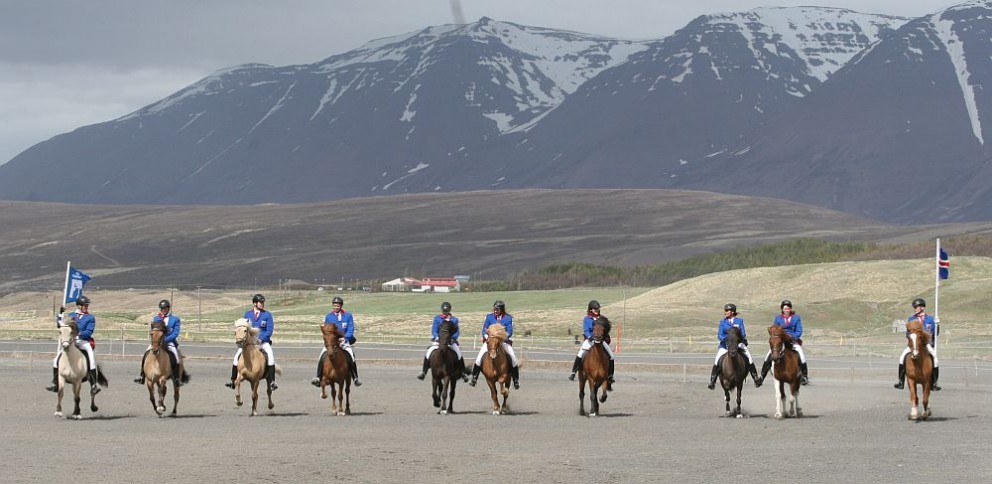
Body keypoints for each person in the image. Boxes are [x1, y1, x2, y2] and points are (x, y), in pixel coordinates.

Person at [46, 295, 101, 395]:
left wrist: (77, 335)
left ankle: (93, 385)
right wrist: (61, 313)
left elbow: (88, 332)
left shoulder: (90, 318)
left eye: (87, 305)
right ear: (79, 306)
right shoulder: (71, 315)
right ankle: (56, 383)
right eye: (85, 305)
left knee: (91, 359)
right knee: (56, 360)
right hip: (70, 342)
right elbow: (60, 325)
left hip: (83, 341)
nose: (86, 307)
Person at [226, 294, 277, 391]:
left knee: (270, 357)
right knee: (236, 357)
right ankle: (232, 381)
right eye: (261, 302)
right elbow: (244, 328)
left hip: (263, 342)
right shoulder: (247, 314)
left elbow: (269, 330)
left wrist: (261, 339)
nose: (262, 304)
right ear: (255, 303)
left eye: (263, 302)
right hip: (250, 342)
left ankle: (272, 382)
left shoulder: (267, 315)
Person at [311, 296, 362, 387]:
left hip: (344, 341)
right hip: (332, 342)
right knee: (321, 355)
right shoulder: (329, 316)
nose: (336, 307)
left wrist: (345, 338)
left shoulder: (348, 316)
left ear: (341, 306)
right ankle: (318, 377)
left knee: (351, 356)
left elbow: (350, 328)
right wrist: (329, 339)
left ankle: (355, 378)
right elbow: (327, 329)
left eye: (337, 306)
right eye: (334, 306)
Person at [707, 303, 761, 390]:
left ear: (732, 312)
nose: (725, 312)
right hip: (725, 345)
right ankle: (712, 381)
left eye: (727, 310)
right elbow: (720, 335)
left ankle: (755, 378)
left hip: (738, 344)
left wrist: (737, 340)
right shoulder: (722, 322)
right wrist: (727, 339)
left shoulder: (739, 321)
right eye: (725, 310)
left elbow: (743, 333)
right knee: (717, 360)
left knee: (749, 357)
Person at [469, 300, 521, 389]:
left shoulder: (508, 318)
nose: (495, 311)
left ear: (502, 309)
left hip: (503, 342)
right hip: (490, 342)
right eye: (495, 309)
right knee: (478, 358)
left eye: (497, 309)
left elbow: (510, 332)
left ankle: (516, 380)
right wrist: (487, 337)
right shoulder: (489, 317)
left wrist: (502, 337)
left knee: (513, 359)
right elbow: (484, 329)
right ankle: (474, 378)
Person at [757, 300, 808, 385]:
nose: (786, 310)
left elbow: (799, 330)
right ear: (782, 309)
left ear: (790, 309)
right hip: (780, 341)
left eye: (788, 308)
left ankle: (804, 376)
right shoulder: (778, 318)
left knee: (801, 354)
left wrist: (793, 337)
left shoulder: (796, 318)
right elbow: (774, 329)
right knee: (769, 355)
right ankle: (762, 376)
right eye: (785, 309)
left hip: (792, 340)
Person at [133, 299, 183, 386]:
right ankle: (142, 376)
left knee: (176, 357)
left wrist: (165, 339)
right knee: (146, 354)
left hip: (169, 342)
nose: (163, 310)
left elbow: (175, 333)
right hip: (157, 342)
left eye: (164, 308)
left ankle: (176, 378)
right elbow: (154, 331)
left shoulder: (175, 319)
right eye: (161, 308)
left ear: (168, 308)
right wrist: (156, 339)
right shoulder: (156, 318)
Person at [894, 298, 941, 391]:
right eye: (914, 307)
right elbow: (907, 333)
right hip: (914, 344)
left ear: (922, 307)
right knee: (902, 357)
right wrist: (912, 338)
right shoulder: (911, 319)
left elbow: (936, 334)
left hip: (926, 344)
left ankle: (934, 383)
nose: (915, 309)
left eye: (916, 307)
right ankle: (901, 382)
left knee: (935, 359)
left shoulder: (930, 319)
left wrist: (937, 325)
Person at [416, 301, 469, 382]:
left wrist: (452, 339)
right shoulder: (437, 319)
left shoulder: (454, 320)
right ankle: (423, 372)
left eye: (447, 311)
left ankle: (463, 373)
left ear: (449, 310)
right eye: (444, 311)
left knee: (459, 355)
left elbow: (456, 332)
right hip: (439, 341)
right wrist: (437, 337)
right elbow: (434, 330)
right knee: (428, 353)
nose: (445, 312)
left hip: (450, 341)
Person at [568, 300, 616, 384]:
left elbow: (606, 329)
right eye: (595, 309)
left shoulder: (602, 318)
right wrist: (589, 337)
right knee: (580, 354)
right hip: (590, 339)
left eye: (597, 309)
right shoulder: (587, 319)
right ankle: (573, 372)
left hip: (600, 340)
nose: (596, 310)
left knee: (611, 356)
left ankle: (610, 375)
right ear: (590, 309)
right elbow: (586, 330)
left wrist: (605, 337)